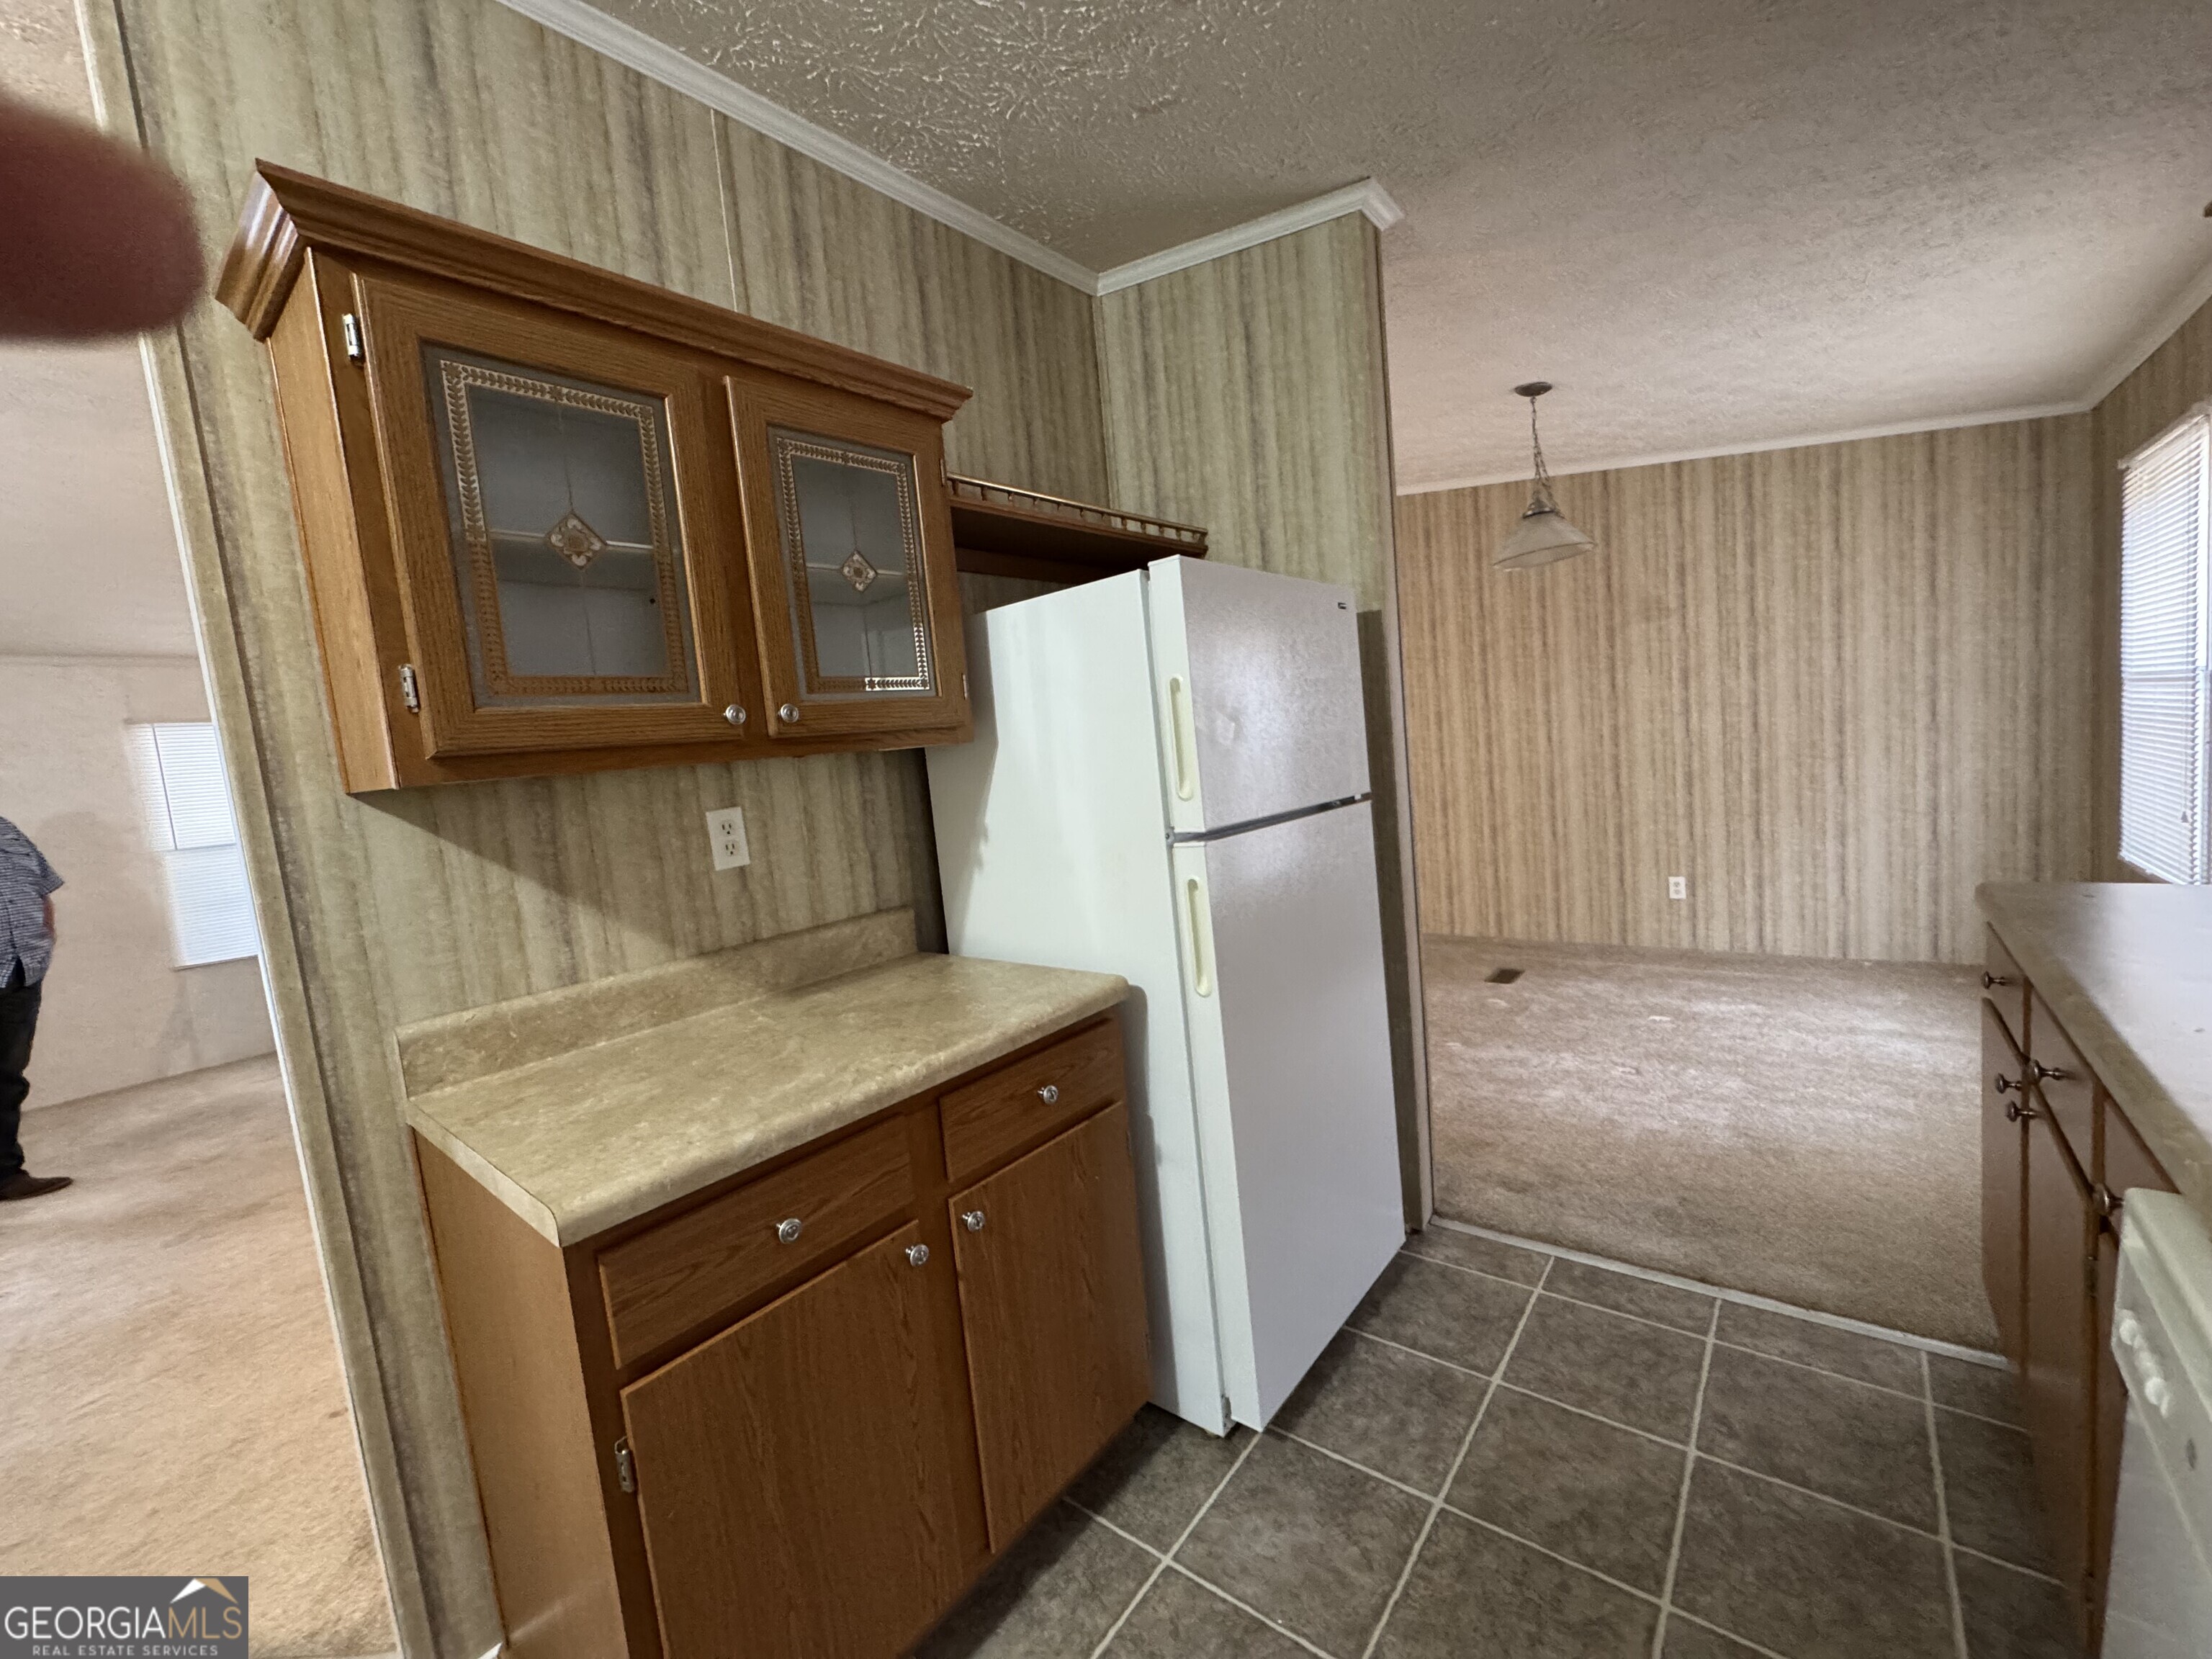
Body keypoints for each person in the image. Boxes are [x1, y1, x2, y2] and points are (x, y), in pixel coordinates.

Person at [0, 815, 71, 1200]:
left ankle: (6, 1175)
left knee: (8, 1079)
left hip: (21, 969)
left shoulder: (7, 830)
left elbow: (42, 887)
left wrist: (44, 940)